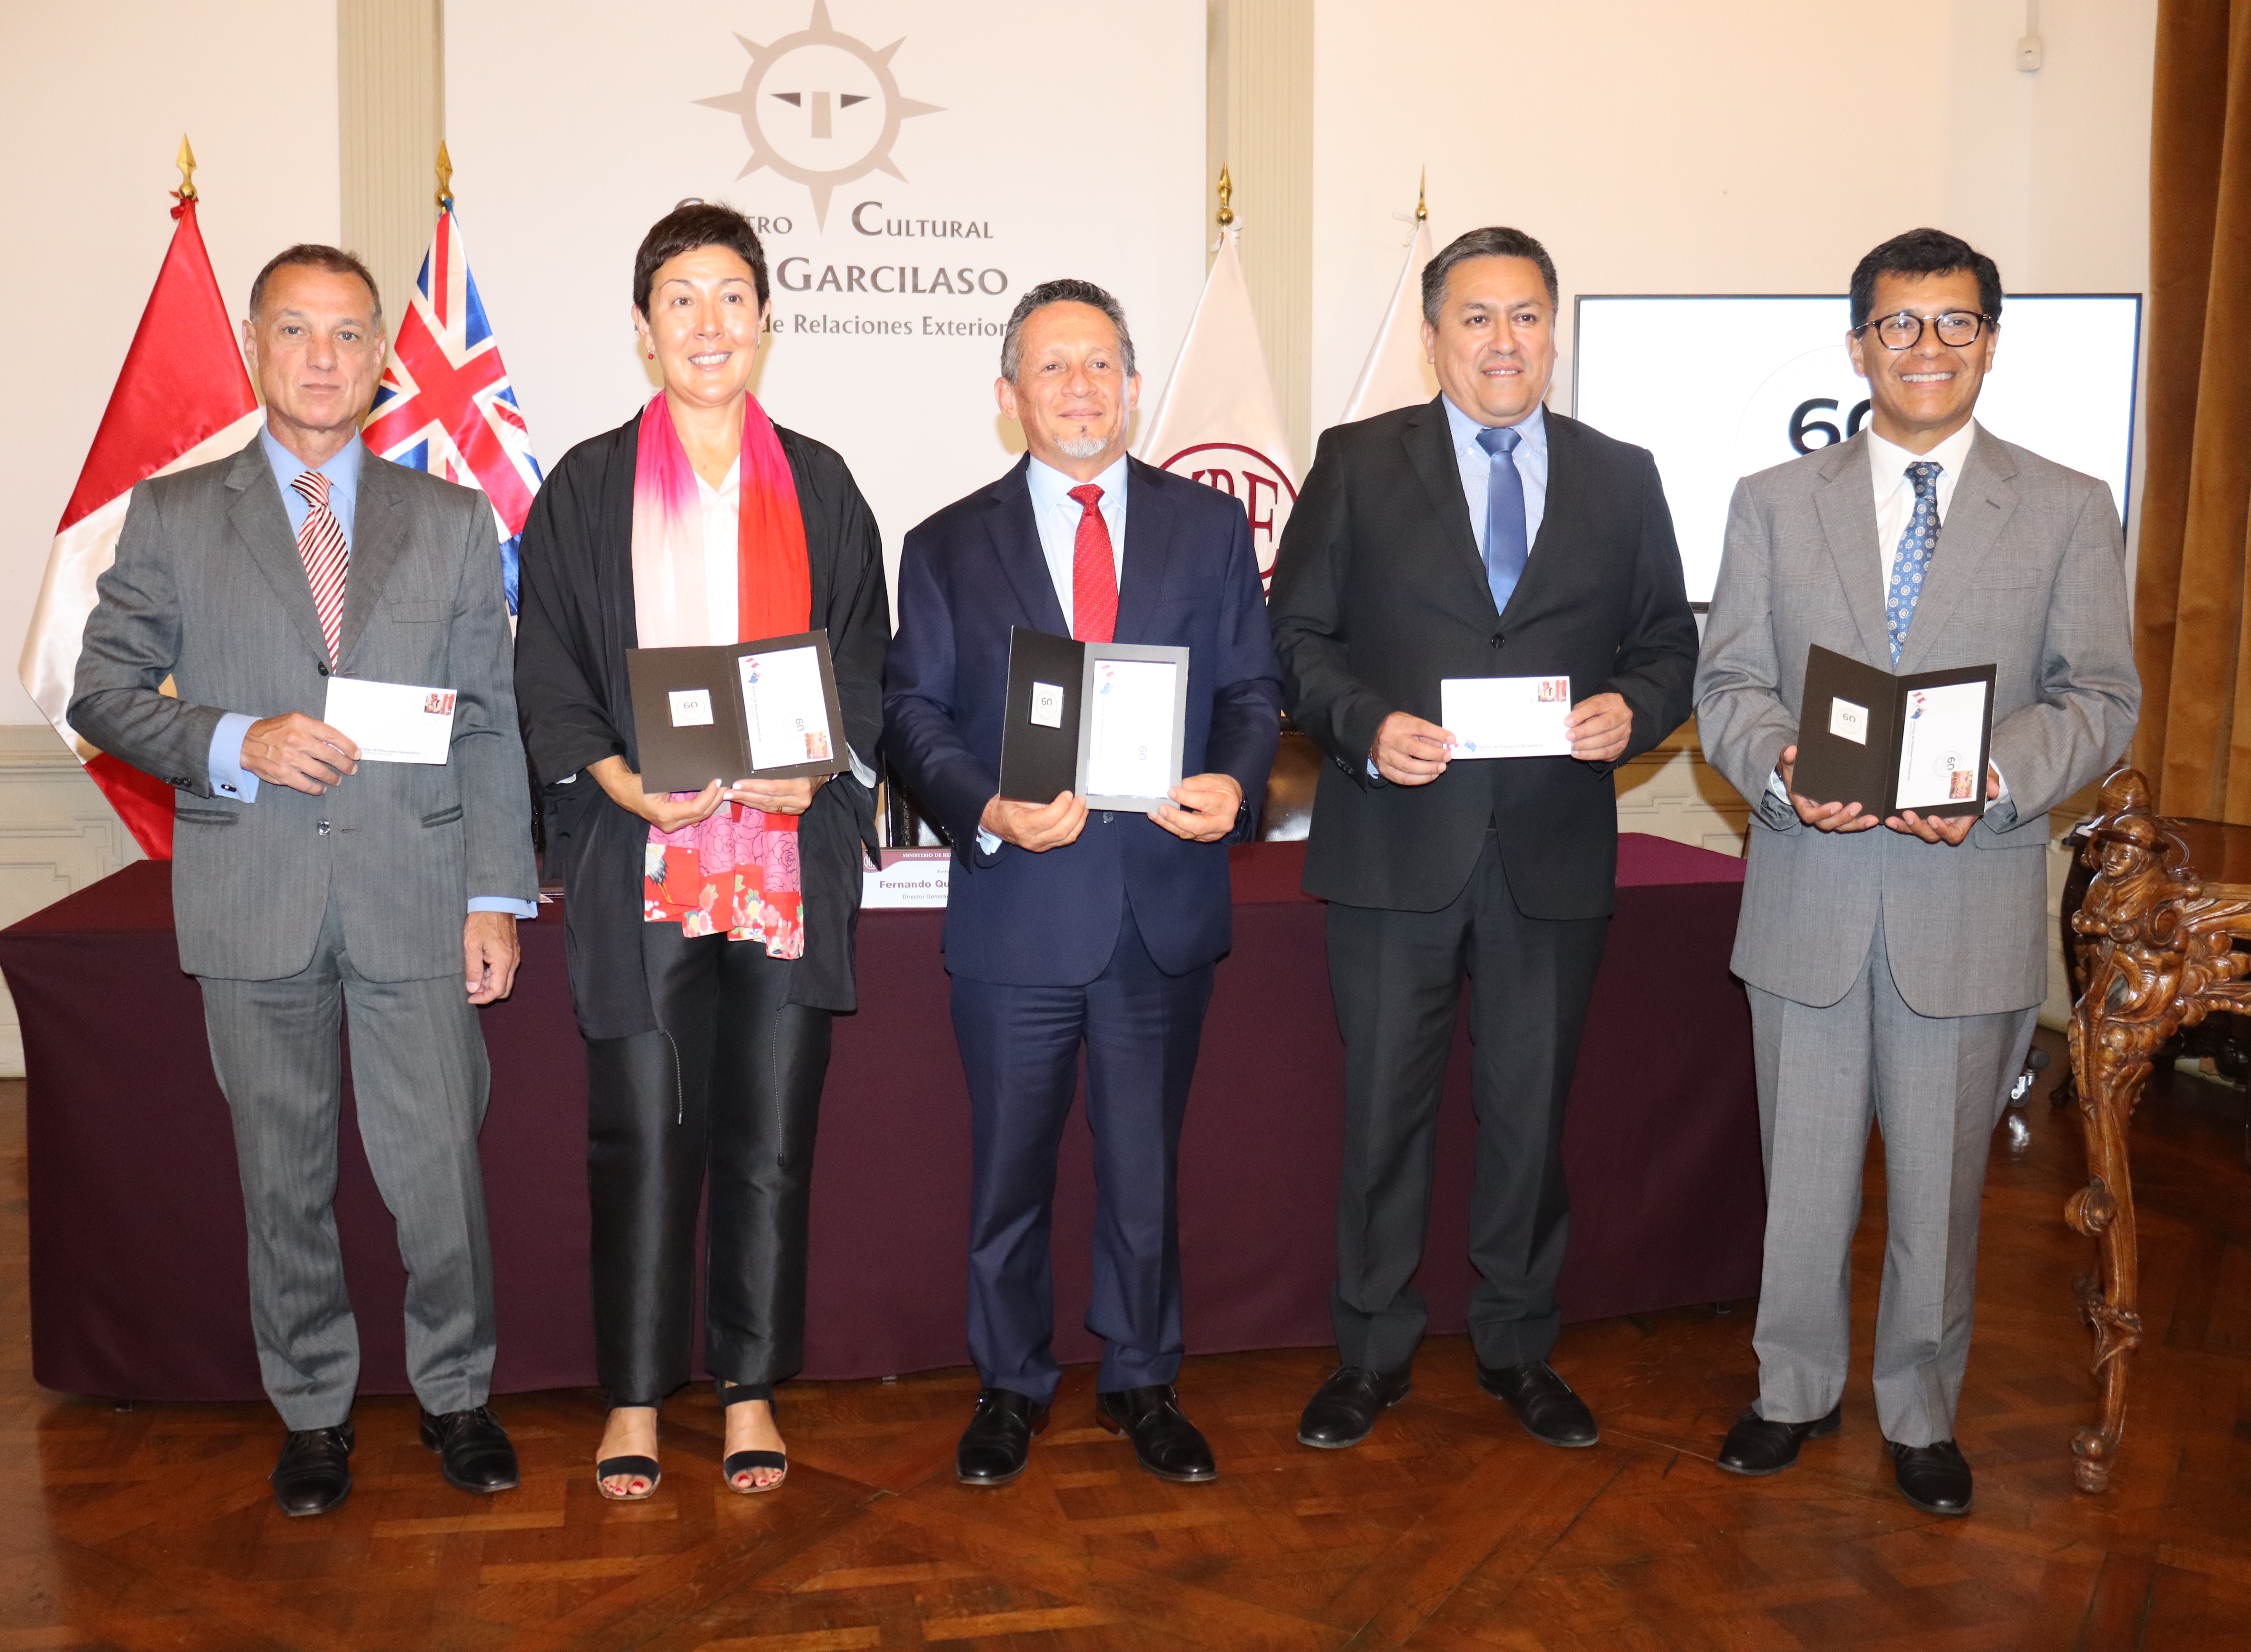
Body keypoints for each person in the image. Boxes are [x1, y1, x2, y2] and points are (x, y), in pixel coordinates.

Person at [71, 245, 535, 1517]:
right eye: (296, 331)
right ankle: (315, 1415)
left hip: (417, 896)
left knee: (438, 1167)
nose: (323, 358)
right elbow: (100, 692)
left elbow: (490, 720)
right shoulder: (174, 516)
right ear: (257, 345)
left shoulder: (447, 521)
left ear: (385, 356)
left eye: (347, 334)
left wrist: (495, 893)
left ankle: (456, 1398)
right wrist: (235, 739)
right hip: (252, 898)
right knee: (283, 1180)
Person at [1695, 228, 2138, 1516]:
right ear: (1858, 345)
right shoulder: (1772, 504)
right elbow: (1729, 682)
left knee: (1945, 1193)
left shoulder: (2066, 508)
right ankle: (1789, 1389)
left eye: (1955, 325)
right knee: (1806, 1179)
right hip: (1811, 895)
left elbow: (2102, 699)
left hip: (1969, 892)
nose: (1927, 348)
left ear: (1990, 343)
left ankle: (1922, 1412)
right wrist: (1779, 764)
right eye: (1901, 325)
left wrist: (1997, 780)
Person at [1267, 227, 1696, 1454]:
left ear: (1553, 330)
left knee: (1530, 1121)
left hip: (1552, 855)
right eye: (1476, 318)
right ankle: (1370, 1357)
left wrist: (1639, 710)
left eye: (1525, 317)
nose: (1503, 341)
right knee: (1381, 1122)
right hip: (1397, 847)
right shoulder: (1357, 462)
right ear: (1435, 335)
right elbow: (1293, 637)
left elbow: (1670, 643)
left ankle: (1518, 1347)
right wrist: (1361, 724)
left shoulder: (1624, 475)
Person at [513, 203, 888, 1501]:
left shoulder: (823, 485)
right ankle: (629, 1396)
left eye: (733, 297)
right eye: (683, 300)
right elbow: (549, 668)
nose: (710, 324)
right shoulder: (587, 488)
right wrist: (620, 780)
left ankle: (747, 1387)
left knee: (770, 1137)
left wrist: (814, 764)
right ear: (642, 330)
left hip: (784, 865)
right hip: (646, 856)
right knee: (642, 1130)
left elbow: (864, 666)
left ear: (767, 323)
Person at [881, 279, 1283, 1487]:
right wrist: (986, 807)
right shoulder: (948, 543)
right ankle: (1010, 1384)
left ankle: (1143, 1381)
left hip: (1160, 906)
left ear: (1134, 385)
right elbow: (911, 715)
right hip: (1019, 910)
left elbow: (1252, 693)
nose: (1080, 388)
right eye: (1052, 368)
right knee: (1009, 1172)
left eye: (1101, 364)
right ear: (1009, 398)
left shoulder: (1206, 529)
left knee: (1145, 1173)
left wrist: (1236, 782)